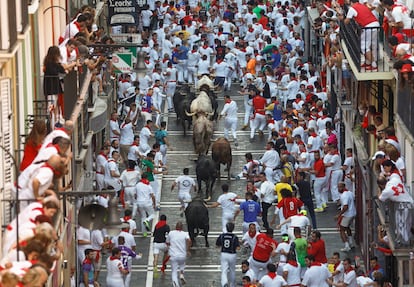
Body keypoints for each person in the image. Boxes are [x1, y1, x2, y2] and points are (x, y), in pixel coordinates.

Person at [166, 221, 192, 286]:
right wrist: (188, 250)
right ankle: (181, 274)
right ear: (182, 227)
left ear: (176, 227)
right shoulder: (185, 234)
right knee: (182, 264)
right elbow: (189, 241)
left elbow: (167, 242)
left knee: (174, 271)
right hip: (182, 255)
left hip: (173, 255)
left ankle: (176, 285)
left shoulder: (171, 233)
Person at [216, 222, 240, 287]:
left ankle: (224, 283)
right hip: (232, 254)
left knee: (224, 270)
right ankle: (232, 284)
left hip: (224, 254)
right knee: (232, 270)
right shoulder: (235, 237)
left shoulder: (222, 236)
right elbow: (238, 248)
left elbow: (217, 245)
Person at [336, 182, 356, 252]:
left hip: (348, 215)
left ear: (343, 187)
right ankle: (351, 242)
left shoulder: (344, 195)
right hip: (353, 213)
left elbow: (345, 207)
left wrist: (339, 215)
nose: (339, 189)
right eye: (338, 187)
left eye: (340, 187)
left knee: (341, 230)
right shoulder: (350, 193)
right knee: (347, 227)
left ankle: (347, 245)